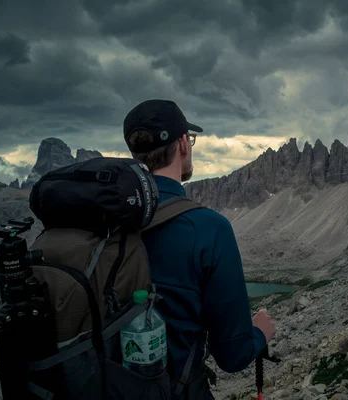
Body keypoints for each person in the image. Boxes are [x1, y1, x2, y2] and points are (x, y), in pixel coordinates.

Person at [122, 99, 277, 398]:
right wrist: (259, 333)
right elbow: (233, 356)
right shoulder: (208, 228)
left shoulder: (106, 219)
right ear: (182, 144)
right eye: (190, 139)